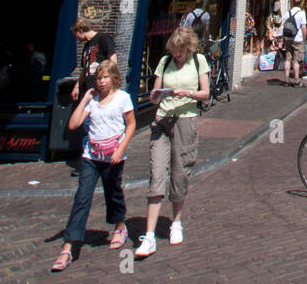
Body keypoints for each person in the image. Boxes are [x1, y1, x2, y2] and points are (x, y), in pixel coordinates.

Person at [52, 59, 135, 271]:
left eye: (105, 78)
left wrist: (121, 148)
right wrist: (85, 99)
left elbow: (131, 124)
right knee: (82, 196)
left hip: (113, 157)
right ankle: (69, 246)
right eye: (98, 78)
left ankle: (119, 226)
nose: (101, 82)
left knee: (113, 193)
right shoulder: (93, 100)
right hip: (91, 157)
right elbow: (73, 124)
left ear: (113, 78)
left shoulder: (122, 98)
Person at [135, 26, 209, 259]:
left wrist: (187, 94)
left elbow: (206, 93)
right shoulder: (165, 61)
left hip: (186, 120)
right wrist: (156, 95)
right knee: (156, 173)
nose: (177, 55)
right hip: (162, 120)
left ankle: (176, 222)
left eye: (181, 51)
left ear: (188, 48)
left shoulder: (199, 61)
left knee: (180, 172)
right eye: (175, 51)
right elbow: (154, 92)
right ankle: (148, 236)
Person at [70, 21, 116, 102]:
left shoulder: (103, 38)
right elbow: (85, 69)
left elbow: (113, 61)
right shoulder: (86, 46)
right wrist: (77, 86)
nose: (76, 38)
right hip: (89, 89)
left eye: (75, 34)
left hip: (101, 88)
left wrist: (111, 83)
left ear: (81, 31)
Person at [282, 0, 307, 87]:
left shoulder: (288, 13)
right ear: (300, 4)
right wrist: (304, 39)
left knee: (288, 58)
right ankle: (296, 80)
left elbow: (284, 26)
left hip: (288, 38)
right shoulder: (301, 13)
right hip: (298, 39)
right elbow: (304, 27)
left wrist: (283, 38)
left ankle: (286, 78)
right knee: (296, 60)